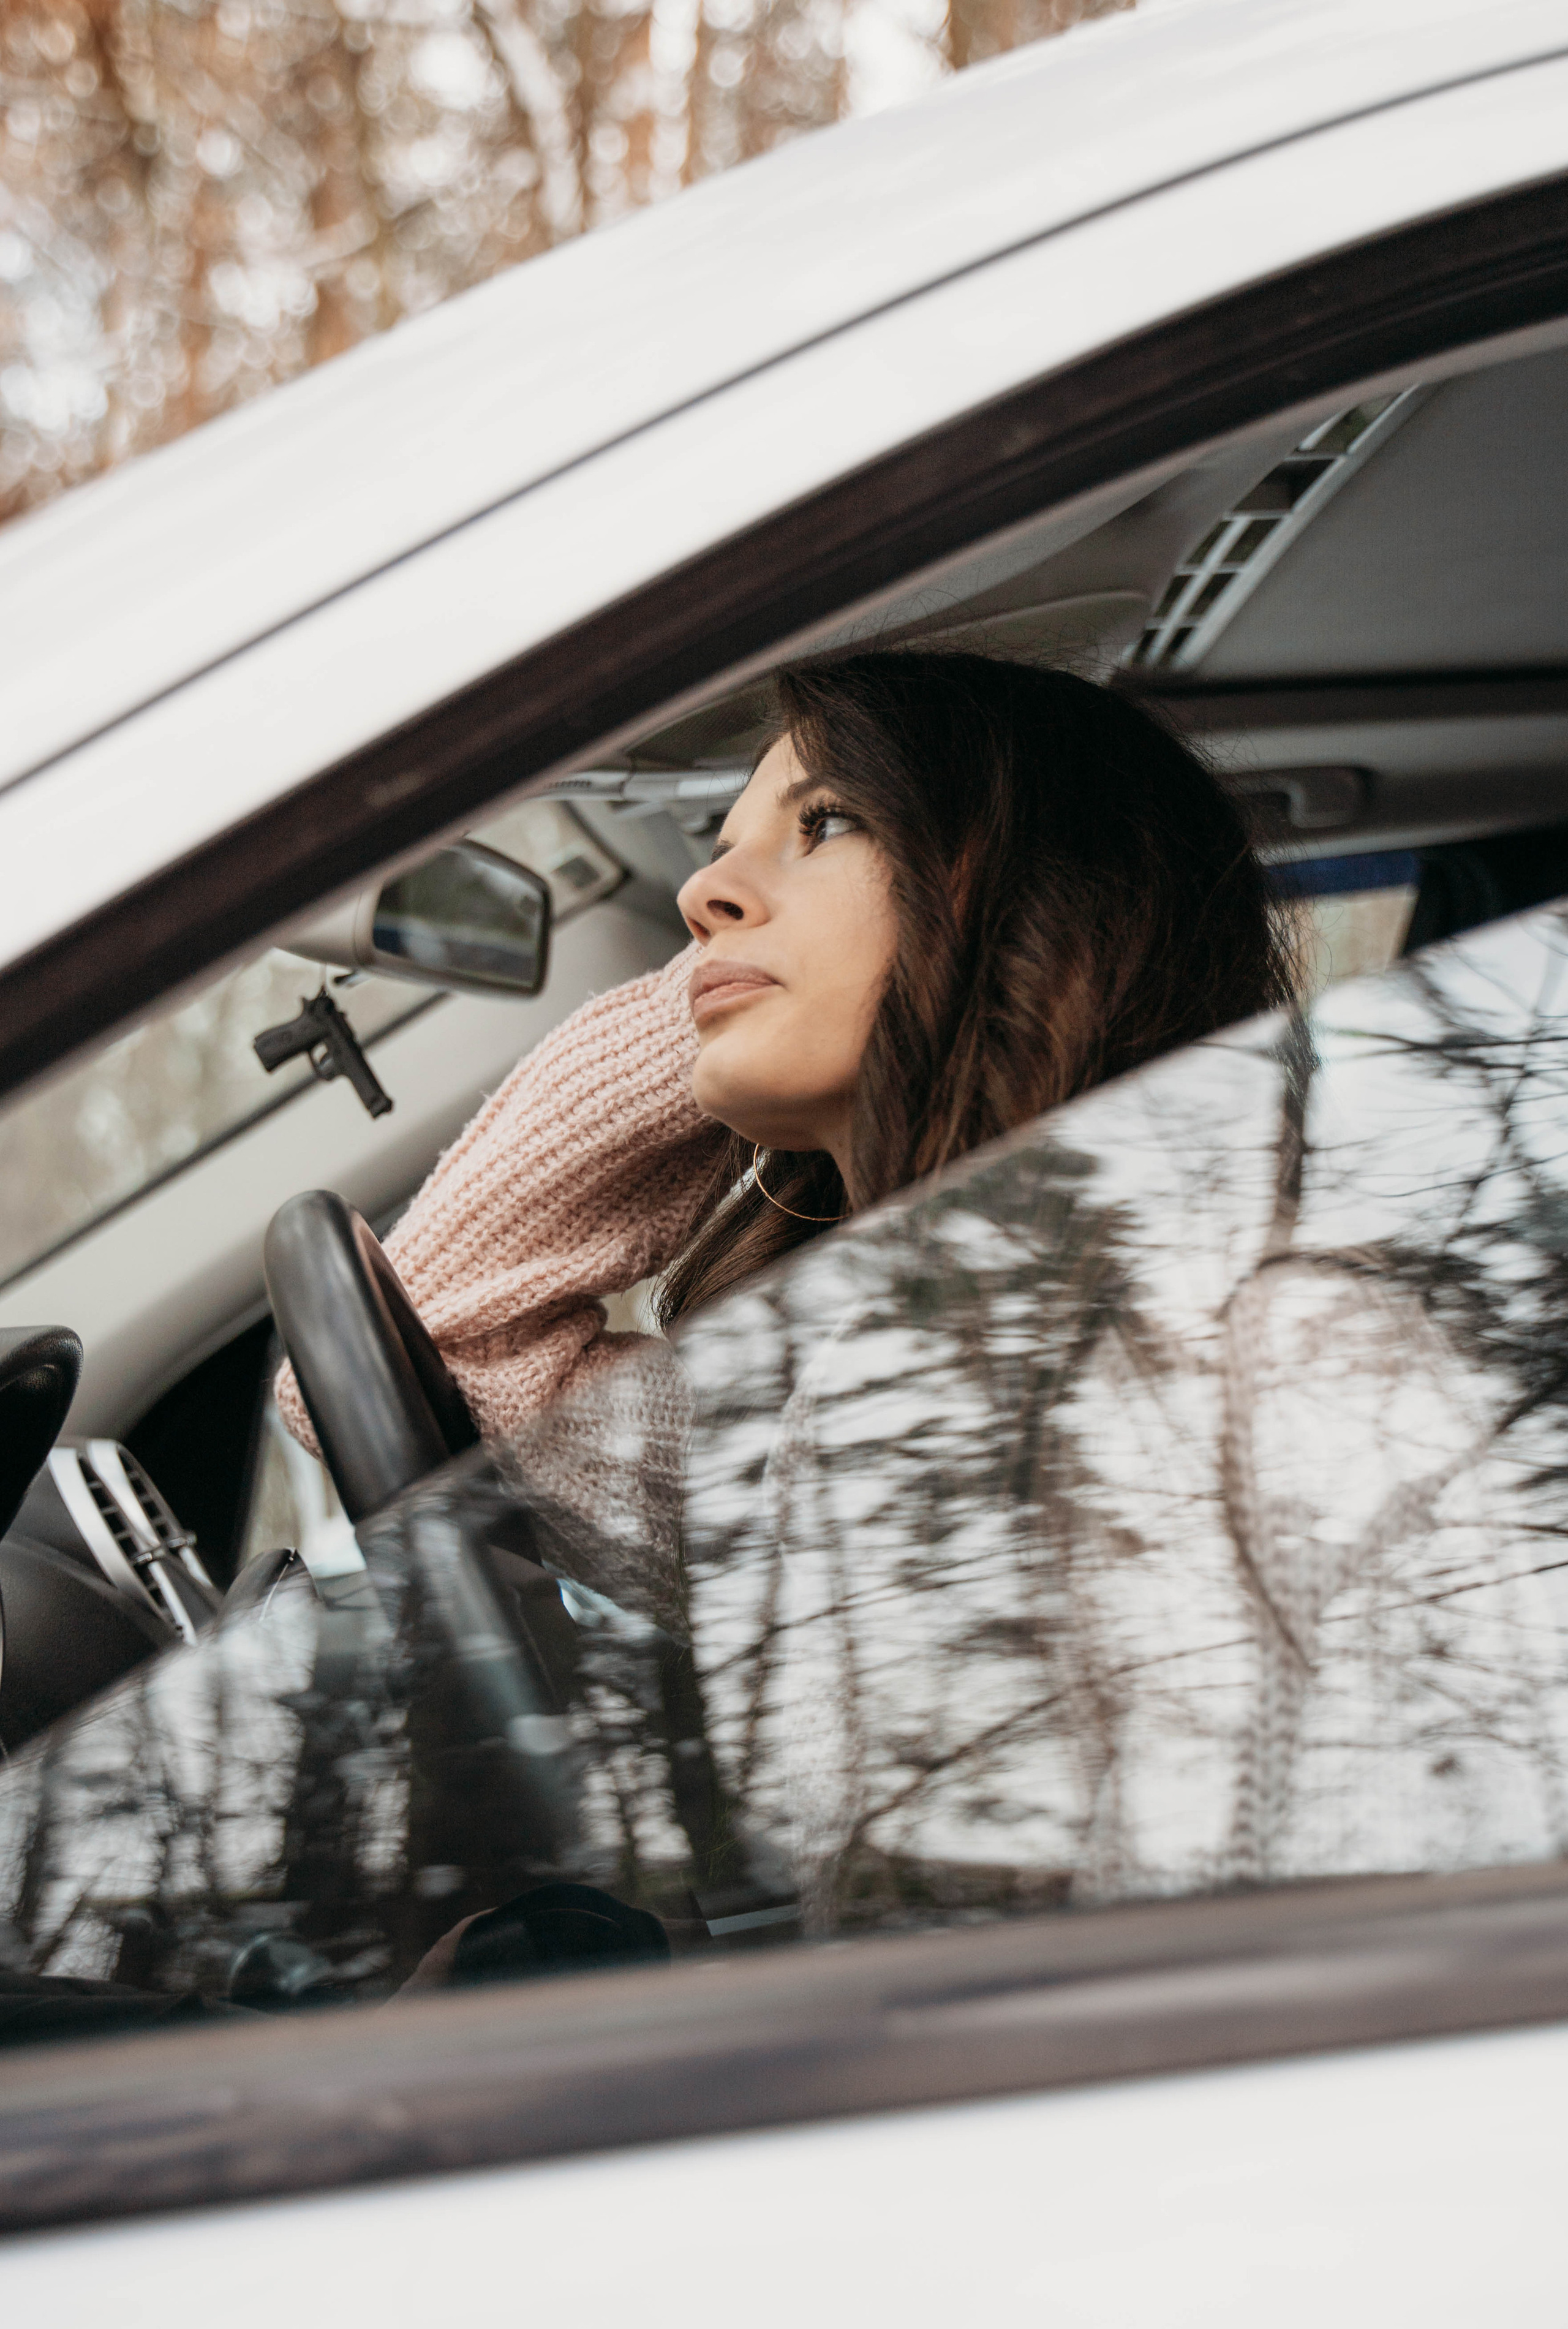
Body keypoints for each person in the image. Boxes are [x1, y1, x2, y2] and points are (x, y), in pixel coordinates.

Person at [276, 651, 1289, 1588]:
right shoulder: (820, 1396)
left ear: (1040, 896)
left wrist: (761, 988)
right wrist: (727, 998)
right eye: (723, 852)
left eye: (827, 823)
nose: (699, 893)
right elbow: (440, 1352)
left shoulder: (1226, 1352)